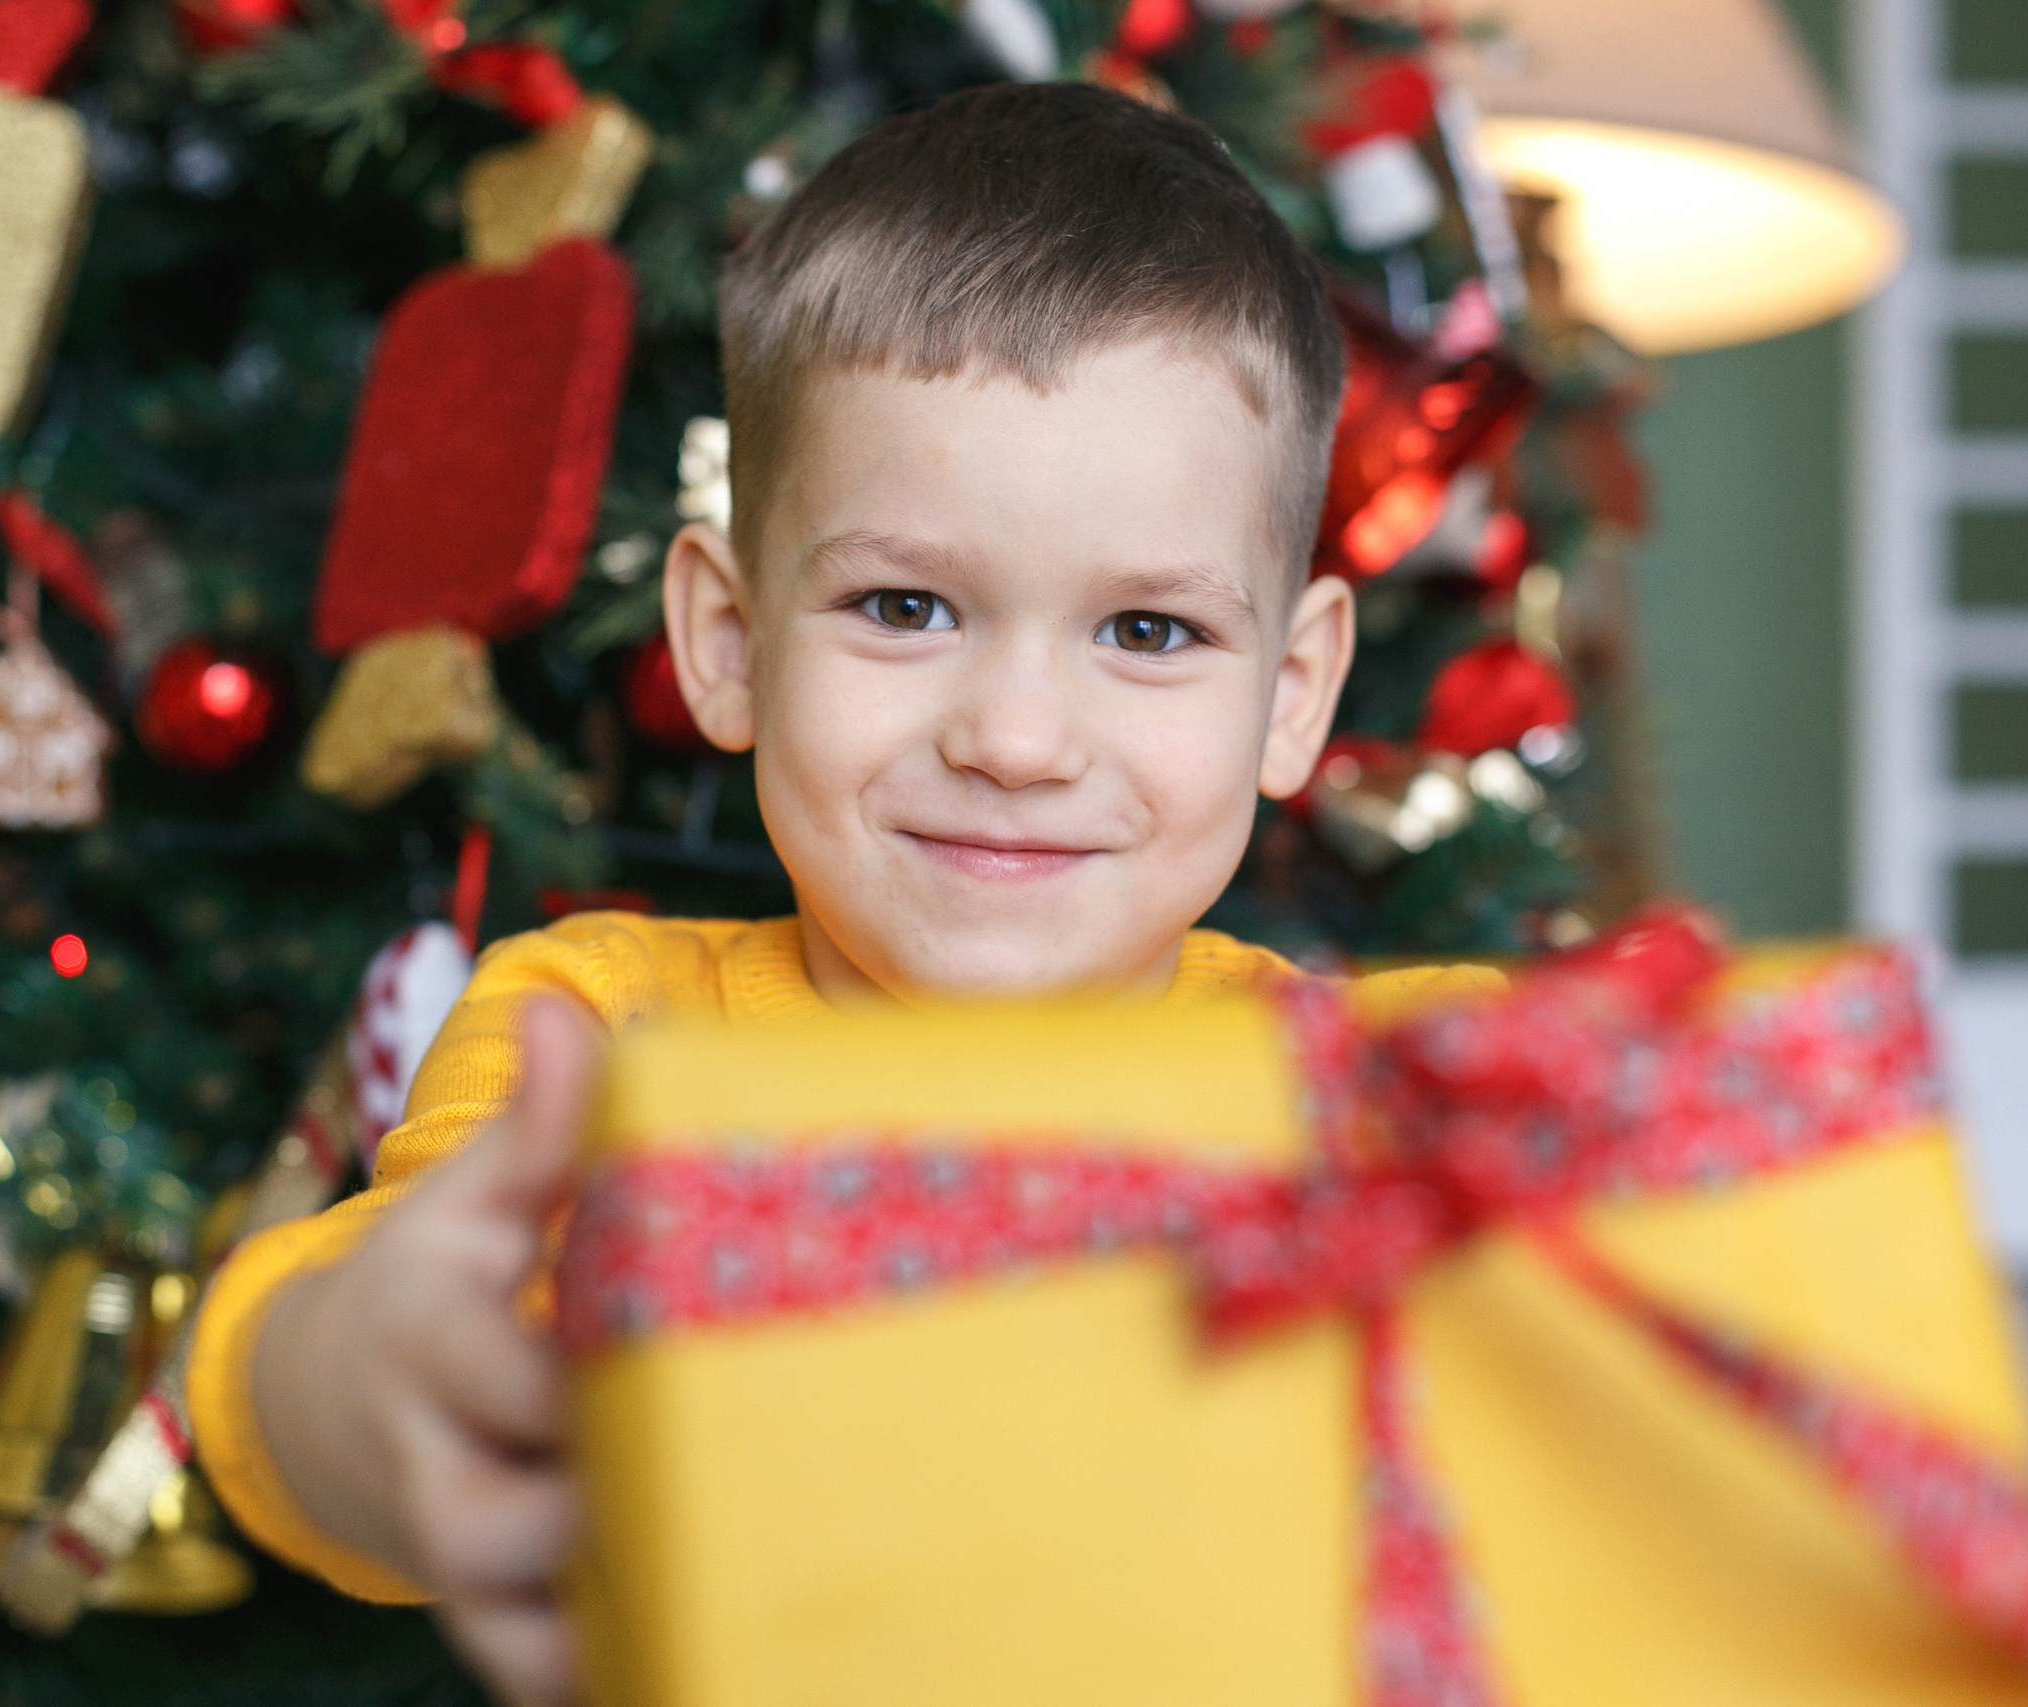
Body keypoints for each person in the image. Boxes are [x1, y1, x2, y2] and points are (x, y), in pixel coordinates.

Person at [188, 79, 1467, 1706]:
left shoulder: (1403, 1089)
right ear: (729, 642)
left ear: (1290, 696)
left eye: (1147, 631)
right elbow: (321, 1362)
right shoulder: (603, 1045)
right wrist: (366, 1375)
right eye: (906, 606)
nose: (1014, 741)